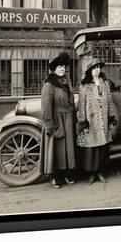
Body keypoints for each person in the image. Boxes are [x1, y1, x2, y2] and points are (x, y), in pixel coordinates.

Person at [39, 52, 77, 189]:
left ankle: (67, 173)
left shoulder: (66, 82)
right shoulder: (49, 84)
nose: (62, 69)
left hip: (68, 120)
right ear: (54, 69)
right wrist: (49, 124)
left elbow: (70, 101)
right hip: (57, 120)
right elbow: (46, 105)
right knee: (57, 149)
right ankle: (55, 176)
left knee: (68, 149)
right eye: (59, 67)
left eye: (63, 67)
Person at [76, 58, 117, 184]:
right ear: (90, 71)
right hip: (91, 121)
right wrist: (83, 122)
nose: (97, 70)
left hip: (103, 121)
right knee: (91, 149)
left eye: (98, 67)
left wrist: (110, 119)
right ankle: (91, 174)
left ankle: (100, 172)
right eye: (94, 68)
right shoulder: (85, 85)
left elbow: (109, 101)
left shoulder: (105, 84)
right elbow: (81, 105)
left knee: (102, 148)